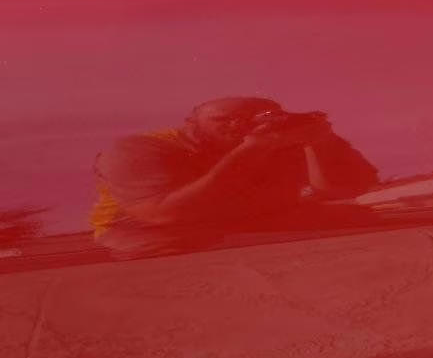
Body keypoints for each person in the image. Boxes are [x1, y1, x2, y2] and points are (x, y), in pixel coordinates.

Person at [90, 97, 377, 254]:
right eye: (222, 120)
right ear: (191, 124)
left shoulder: (284, 139)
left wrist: (320, 142)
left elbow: (346, 189)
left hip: (245, 221)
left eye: (253, 118)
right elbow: (165, 214)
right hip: (152, 229)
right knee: (168, 245)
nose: (237, 127)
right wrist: (252, 151)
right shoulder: (138, 149)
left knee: (359, 218)